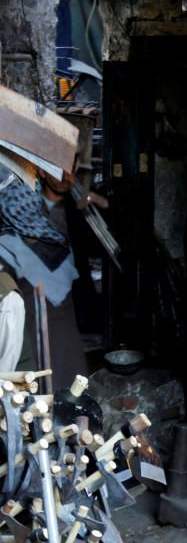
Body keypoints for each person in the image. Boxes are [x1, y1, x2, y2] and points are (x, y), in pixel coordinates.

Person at [0, 153, 88, 388]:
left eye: (71, 171)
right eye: (57, 170)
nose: (66, 177)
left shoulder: (70, 209)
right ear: (41, 171)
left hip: (59, 304)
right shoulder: (17, 200)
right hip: (33, 301)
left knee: (66, 362)